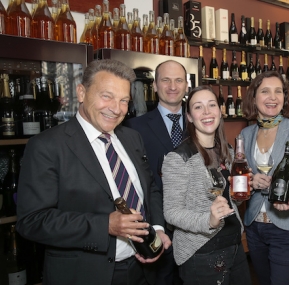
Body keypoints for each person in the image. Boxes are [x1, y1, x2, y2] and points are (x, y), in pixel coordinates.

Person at [16, 59, 171, 285]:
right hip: (87, 274)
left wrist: (157, 229)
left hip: (145, 270)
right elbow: (31, 221)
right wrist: (105, 225)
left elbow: (151, 190)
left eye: (124, 100)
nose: (116, 109)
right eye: (106, 96)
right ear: (81, 92)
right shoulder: (47, 146)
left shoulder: (132, 138)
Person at [162, 86, 251, 285]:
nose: (207, 112)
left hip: (234, 245)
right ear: (190, 117)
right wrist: (208, 221)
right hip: (202, 251)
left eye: (211, 105)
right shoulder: (178, 158)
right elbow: (172, 212)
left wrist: (239, 194)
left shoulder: (226, 150)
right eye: (198, 107)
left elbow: (230, 201)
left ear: (220, 111)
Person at [241, 71, 289, 285]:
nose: (272, 97)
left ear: (285, 98)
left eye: (278, 92)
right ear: (254, 97)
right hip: (255, 226)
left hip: (288, 227)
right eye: (265, 91)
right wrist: (251, 181)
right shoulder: (245, 135)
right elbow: (241, 177)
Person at [125, 59, 188, 285]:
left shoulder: (200, 121)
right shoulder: (133, 127)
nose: (172, 86)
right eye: (166, 80)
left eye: (178, 80)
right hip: (155, 226)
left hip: (195, 226)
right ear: (154, 85)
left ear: (186, 85)